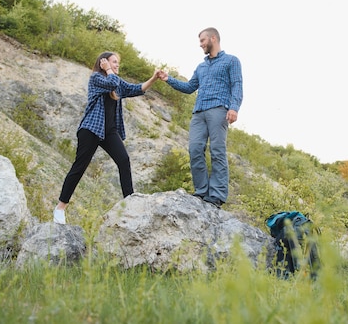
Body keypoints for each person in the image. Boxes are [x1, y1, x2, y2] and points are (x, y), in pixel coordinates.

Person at [53, 51, 159, 224]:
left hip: (109, 131)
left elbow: (135, 89)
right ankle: (60, 208)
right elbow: (111, 83)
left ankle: (129, 201)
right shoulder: (97, 78)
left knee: (124, 160)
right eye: (114, 62)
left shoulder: (115, 80)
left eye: (117, 63)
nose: (117, 65)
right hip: (91, 128)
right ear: (103, 63)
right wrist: (108, 69)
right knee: (79, 167)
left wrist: (154, 78)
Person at [158, 27, 243, 208]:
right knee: (195, 149)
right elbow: (189, 87)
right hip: (199, 112)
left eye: (203, 40)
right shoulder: (201, 67)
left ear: (213, 38)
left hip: (219, 110)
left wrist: (234, 107)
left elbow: (237, 85)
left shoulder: (231, 61)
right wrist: (168, 79)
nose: (201, 45)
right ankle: (202, 192)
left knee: (217, 151)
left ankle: (217, 195)